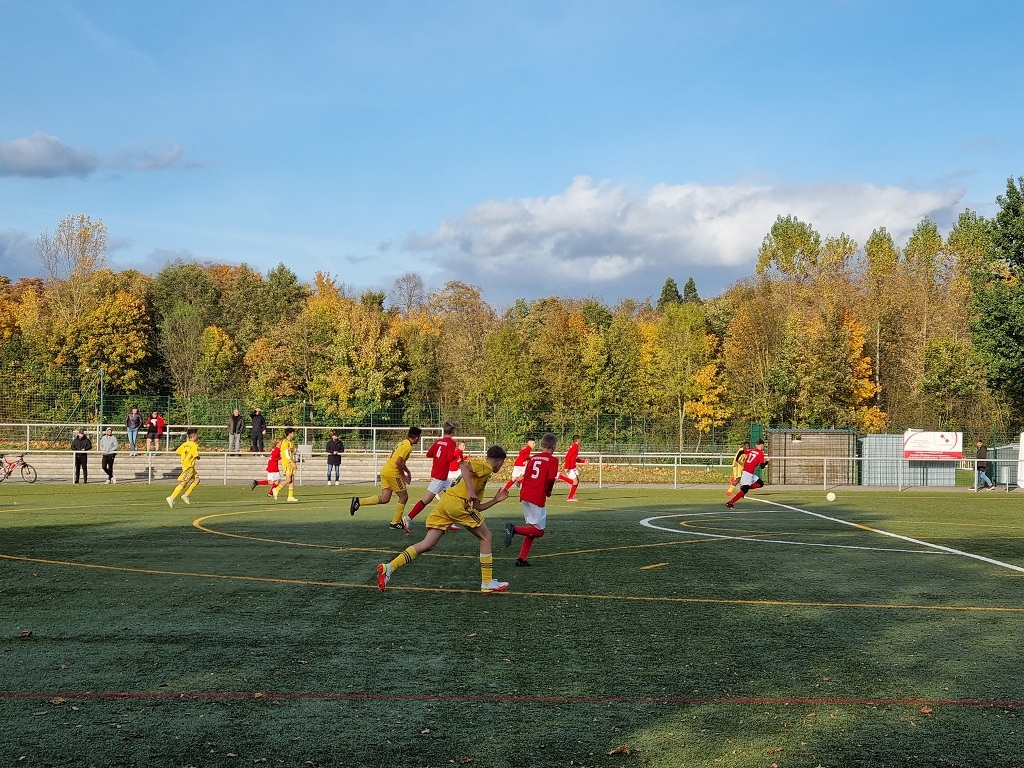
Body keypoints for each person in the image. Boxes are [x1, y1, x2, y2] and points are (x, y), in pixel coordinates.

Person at [377, 445, 511, 594]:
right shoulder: (486, 467)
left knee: (427, 544)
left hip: (446, 503)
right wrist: (470, 490)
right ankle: (487, 582)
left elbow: (477, 506)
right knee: (486, 537)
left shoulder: (482, 477)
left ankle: (389, 567)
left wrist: (495, 500)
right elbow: (464, 467)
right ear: (500, 461)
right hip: (457, 504)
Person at [350, 426, 421, 531]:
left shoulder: (402, 443)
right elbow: (398, 462)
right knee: (404, 497)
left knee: (385, 498)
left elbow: (400, 461)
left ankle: (358, 501)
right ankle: (395, 522)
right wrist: (403, 475)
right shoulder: (408, 447)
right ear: (416, 437)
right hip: (393, 473)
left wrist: (408, 471)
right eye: (419, 437)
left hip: (385, 470)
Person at [504, 433, 559, 567]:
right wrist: (549, 491)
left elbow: (526, 475)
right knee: (539, 531)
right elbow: (551, 478)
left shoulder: (533, 458)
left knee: (532, 529)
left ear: (542, 445)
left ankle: (522, 558)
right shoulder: (553, 460)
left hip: (525, 494)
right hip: (536, 495)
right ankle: (514, 529)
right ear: (554, 446)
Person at [407, 421, 458, 529]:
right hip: (440, 476)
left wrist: (440, 457)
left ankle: (448, 522)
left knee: (455, 497)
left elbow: (429, 454)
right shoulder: (451, 443)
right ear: (453, 431)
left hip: (441, 475)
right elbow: (450, 458)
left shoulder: (438, 441)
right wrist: (456, 457)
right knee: (426, 500)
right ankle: (407, 518)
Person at [726, 438, 770, 508]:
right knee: (744, 490)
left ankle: (745, 487)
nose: (763, 447)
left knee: (760, 484)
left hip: (749, 473)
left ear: (756, 445)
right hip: (748, 474)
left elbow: (741, 452)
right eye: (763, 446)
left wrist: (736, 460)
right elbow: (762, 467)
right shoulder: (760, 453)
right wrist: (767, 461)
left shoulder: (751, 450)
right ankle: (730, 503)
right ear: (761, 445)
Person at [166, 428, 201, 507]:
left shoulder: (184, 444)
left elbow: (178, 451)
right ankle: (171, 497)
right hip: (189, 467)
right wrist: (198, 457)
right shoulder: (194, 445)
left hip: (186, 465)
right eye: (197, 435)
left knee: (197, 480)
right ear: (194, 436)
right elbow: (195, 455)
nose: (197, 436)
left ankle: (185, 495)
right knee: (184, 483)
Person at [557, 435, 587, 501]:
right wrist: (567, 467)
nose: (581, 440)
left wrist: (583, 461)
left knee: (576, 482)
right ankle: (560, 476)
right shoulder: (574, 447)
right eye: (580, 439)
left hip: (573, 467)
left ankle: (570, 497)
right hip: (570, 467)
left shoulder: (575, 447)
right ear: (578, 440)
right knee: (575, 482)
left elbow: (574, 458)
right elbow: (567, 457)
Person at [274, 427, 299, 502]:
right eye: (293, 433)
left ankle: (290, 496)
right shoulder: (285, 442)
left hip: (291, 462)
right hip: (287, 463)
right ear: (290, 434)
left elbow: (295, 450)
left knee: (292, 479)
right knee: (288, 480)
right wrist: (292, 462)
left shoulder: (291, 442)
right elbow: (286, 454)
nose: (294, 434)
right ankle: (276, 489)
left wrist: (293, 451)